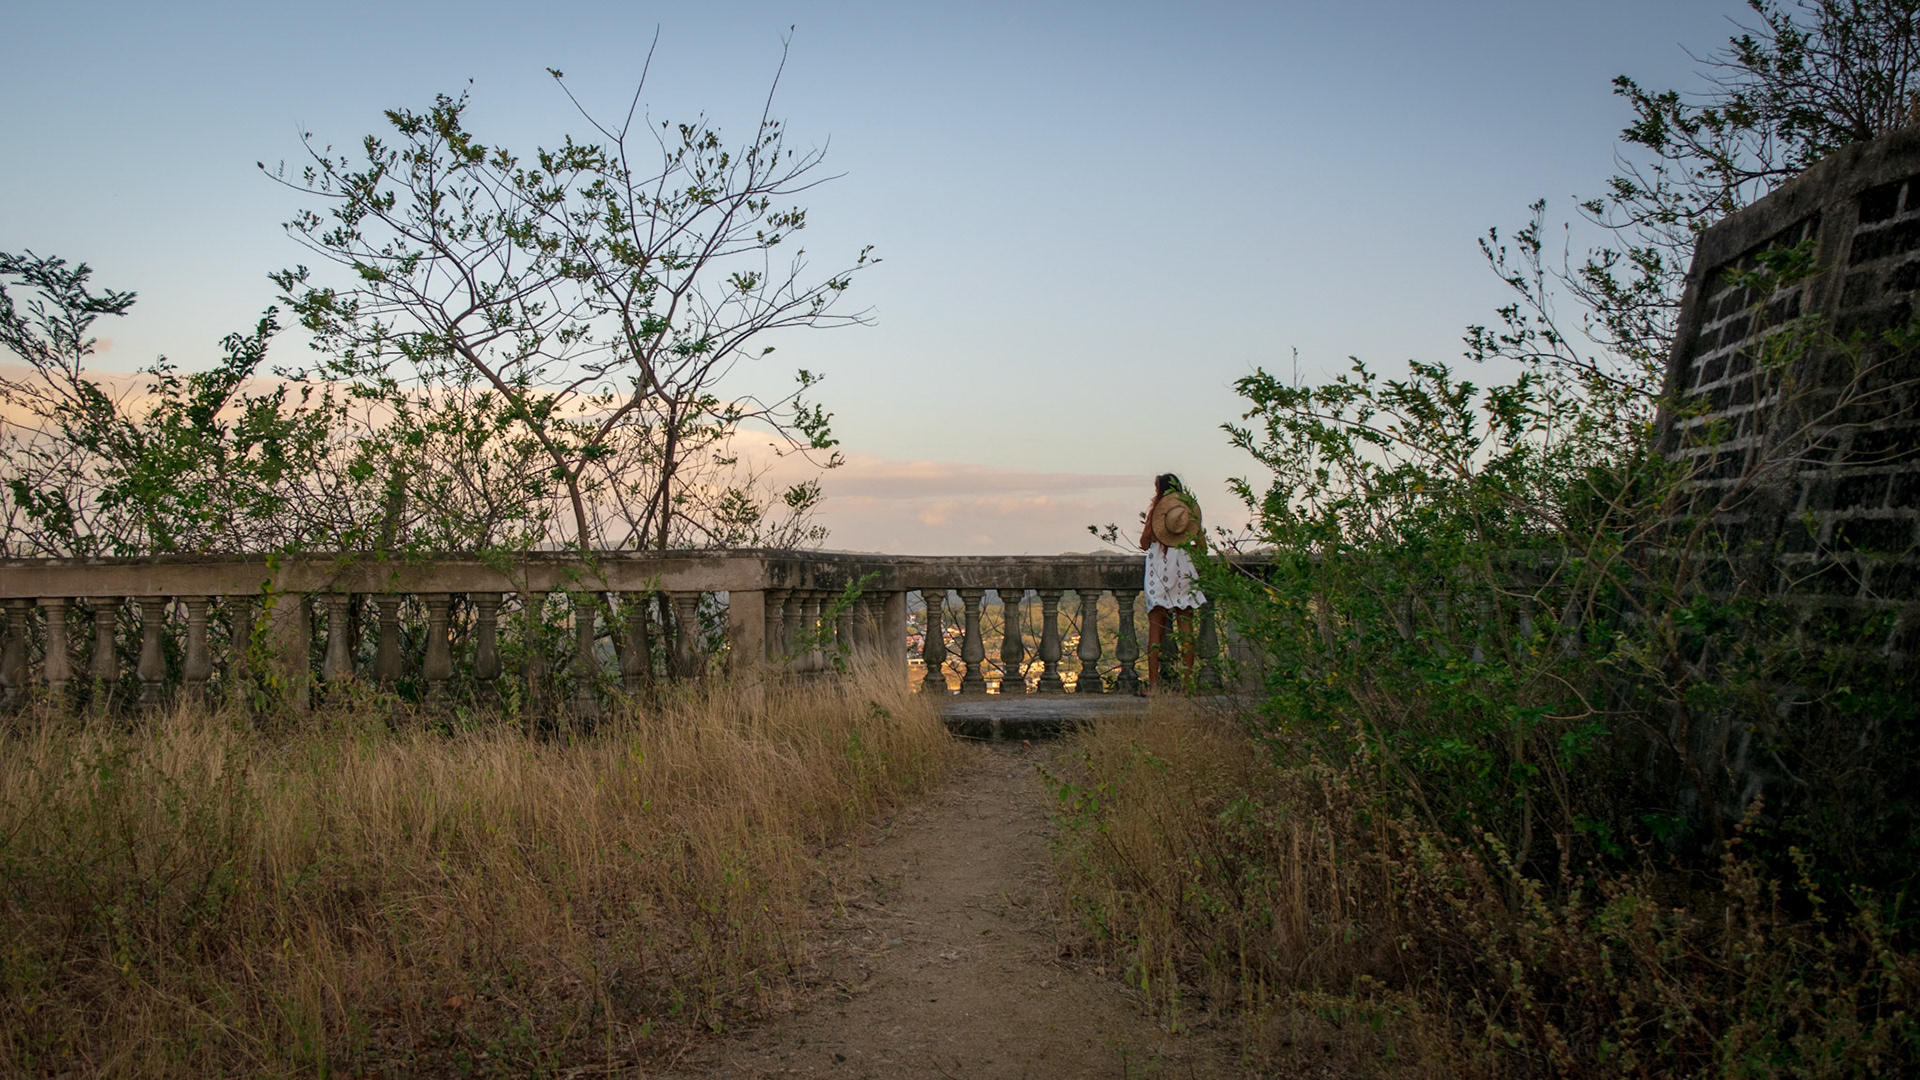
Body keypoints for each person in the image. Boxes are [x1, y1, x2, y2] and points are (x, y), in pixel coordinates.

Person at [1138, 473, 1204, 690]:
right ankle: (1187, 685)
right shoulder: (1187, 517)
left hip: (1159, 573)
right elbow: (1202, 548)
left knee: (1155, 632)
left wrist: (1156, 529)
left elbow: (1144, 543)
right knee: (1186, 632)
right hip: (1184, 574)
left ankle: (1154, 686)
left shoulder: (1157, 515)